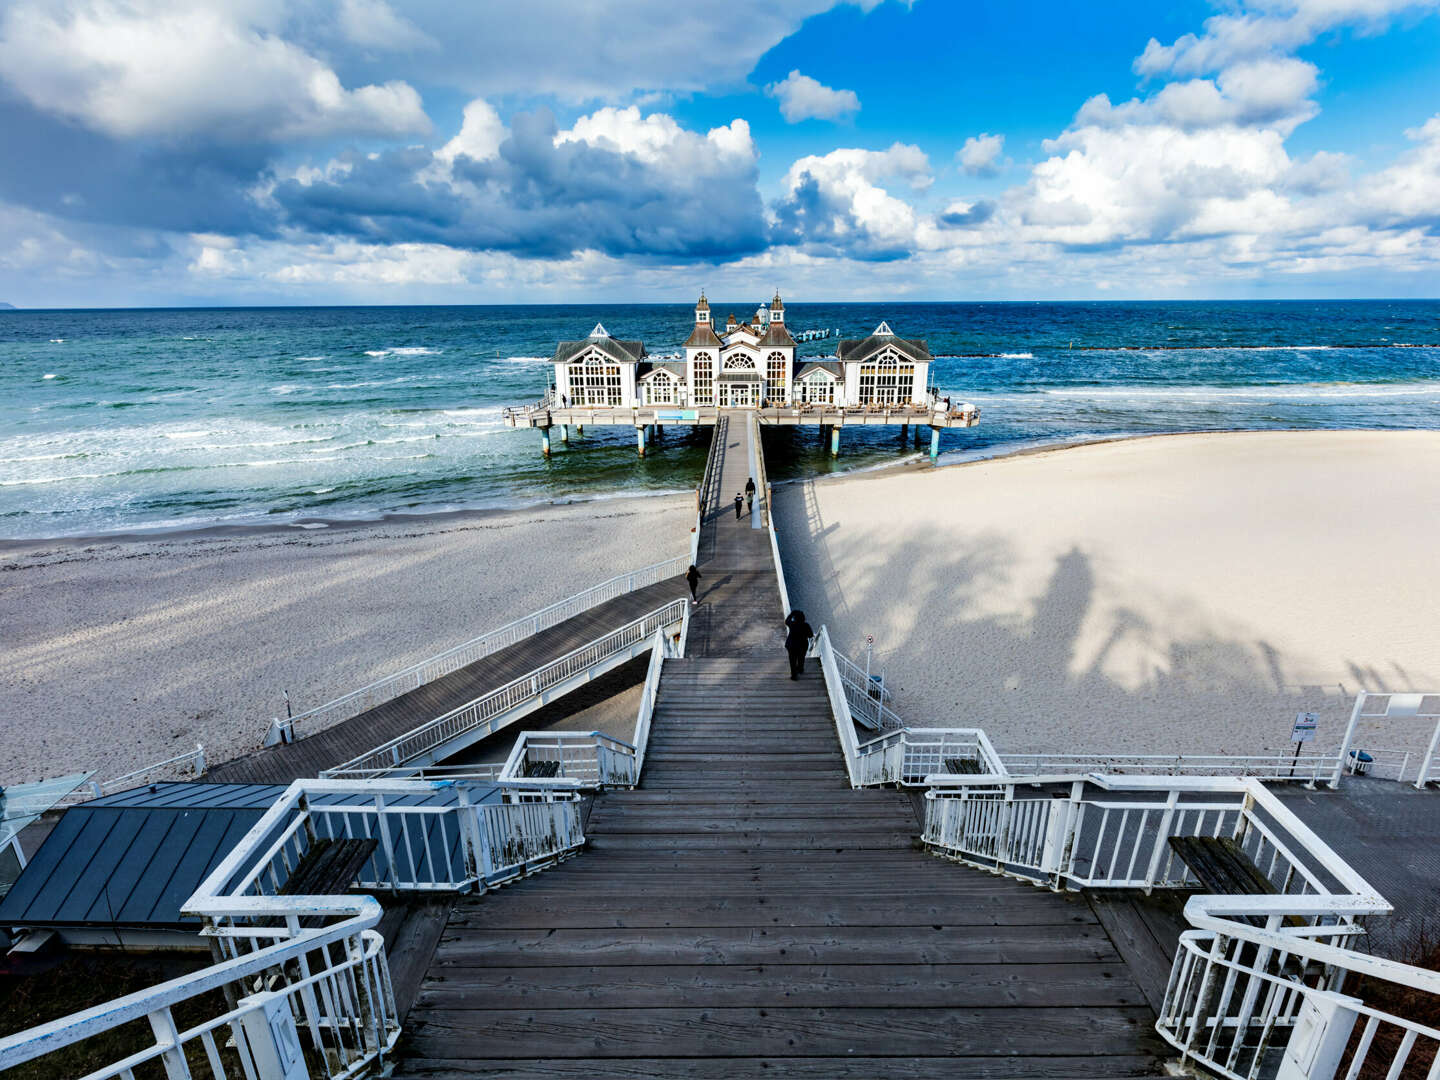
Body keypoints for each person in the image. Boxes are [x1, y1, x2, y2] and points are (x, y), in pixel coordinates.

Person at [784, 609, 814, 680]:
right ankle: (800, 669)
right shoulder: (806, 625)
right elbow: (810, 635)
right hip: (802, 646)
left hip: (792, 646)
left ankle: (794, 675)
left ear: (795, 618)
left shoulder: (792, 624)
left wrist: (791, 614)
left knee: (792, 660)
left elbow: (786, 621)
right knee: (801, 658)